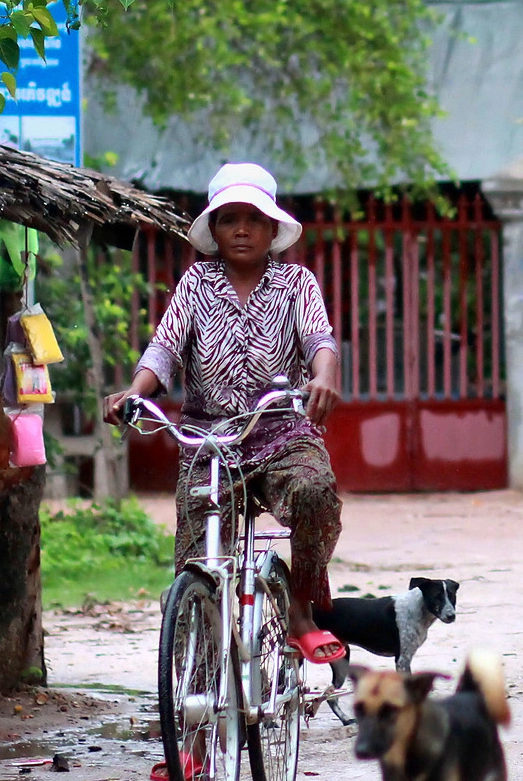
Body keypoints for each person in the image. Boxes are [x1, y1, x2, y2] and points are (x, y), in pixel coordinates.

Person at [104, 163, 347, 664]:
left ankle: (300, 612)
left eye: (253, 219)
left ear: (272, 228)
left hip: (282, 432)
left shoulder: (297, 283)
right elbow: (165, 349)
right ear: (213, 230)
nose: (241, 229)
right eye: (229, 218)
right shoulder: (195, 283)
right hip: (208, 444)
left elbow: (320, 341)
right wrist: (133, 393)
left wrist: (324, 375)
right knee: (195, 569)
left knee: (314, 489)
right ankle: (195, 698)